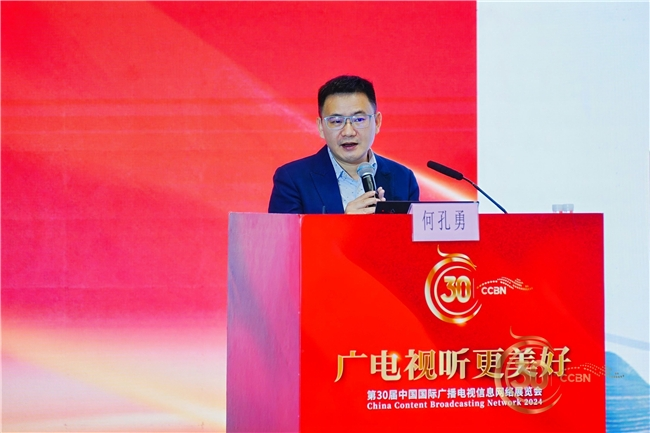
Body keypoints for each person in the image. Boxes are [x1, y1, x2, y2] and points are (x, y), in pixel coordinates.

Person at [268, 75, 419, 214]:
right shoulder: (292, 179)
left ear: (377, 122)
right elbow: (285, 236)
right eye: (336, 121)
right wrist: (344, 224)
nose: (348, 132)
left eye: (359, 120)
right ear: (321, 127)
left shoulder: (403, 178)